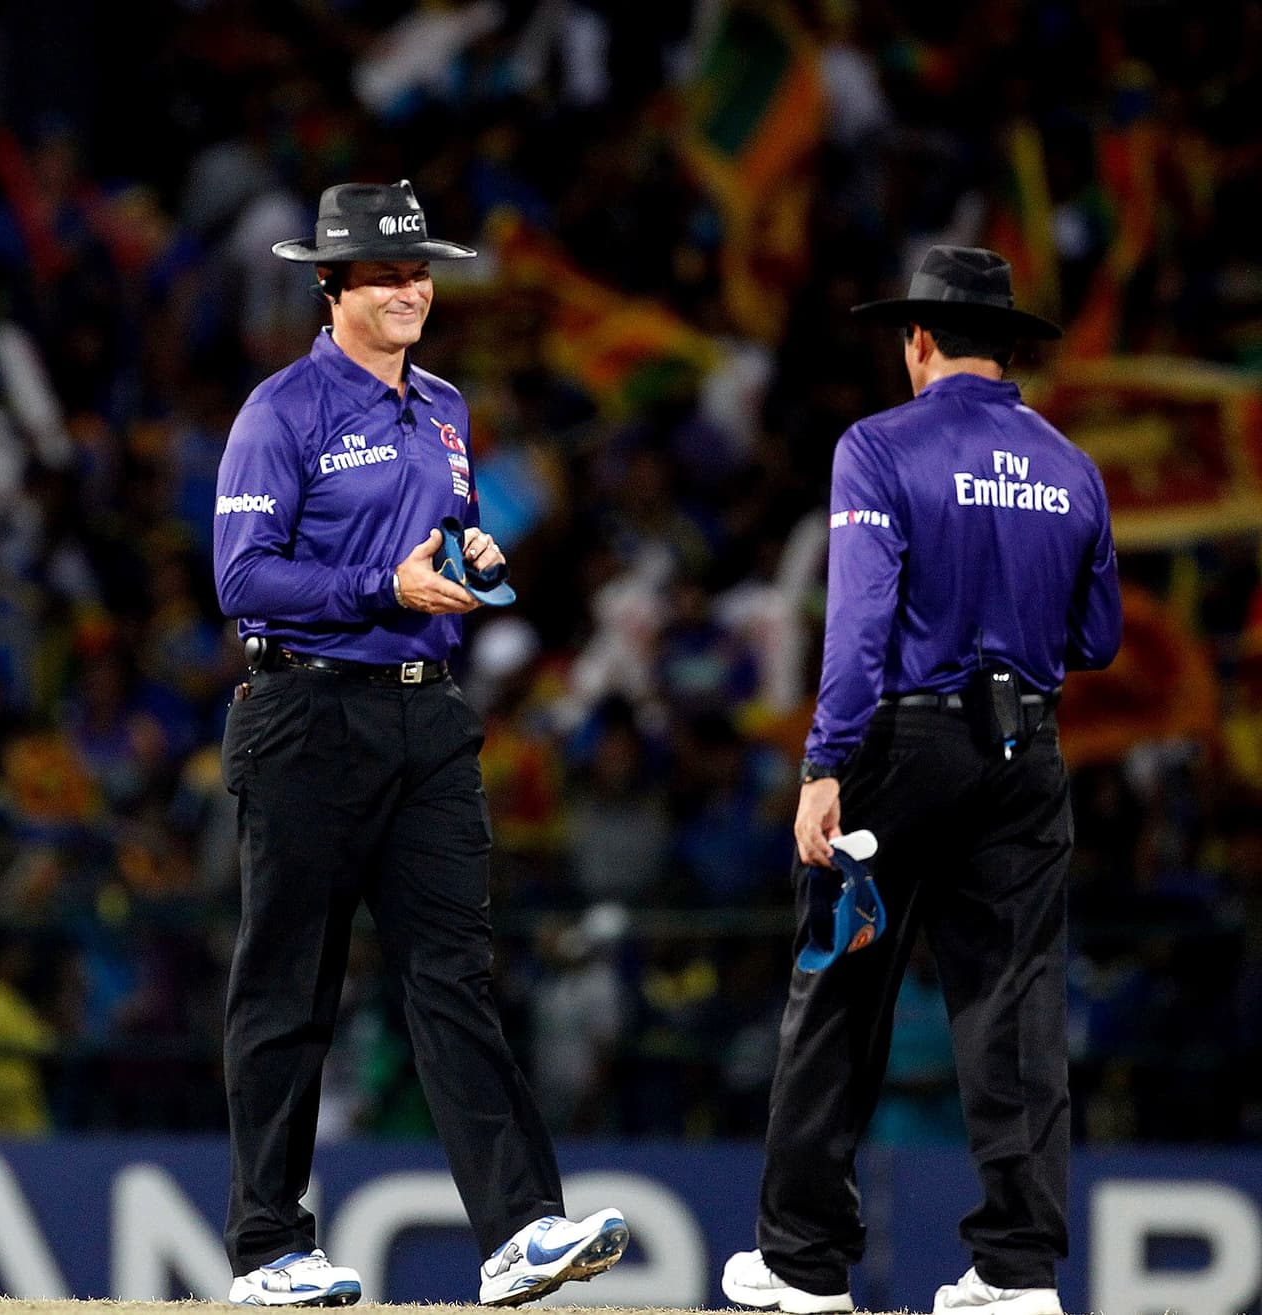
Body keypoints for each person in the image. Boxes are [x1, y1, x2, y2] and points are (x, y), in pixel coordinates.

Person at [212, 180, 629, 1308]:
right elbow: (241, 580)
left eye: (420, 269)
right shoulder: (281, 411)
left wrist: (469, 558)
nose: (412, 287)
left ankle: (518, 1231)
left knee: (455, 972)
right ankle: (268, 1247)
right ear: (331, 284)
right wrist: (378, 582)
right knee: (289, 983)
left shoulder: (444, 405)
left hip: (427, 712)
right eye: (389, 272)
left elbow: (432, 542)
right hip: (305, 713)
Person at [720, 247, 1122, 1315]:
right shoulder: (1072, 466)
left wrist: (824, 765)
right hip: (1025, 753)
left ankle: (804, 1263)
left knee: (842, 983)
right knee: (1017, 1002)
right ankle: (1017, 1271)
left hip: (904, 745)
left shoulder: (877, 447)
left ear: (919, 342)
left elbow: (855, 627)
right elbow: (1099, 635)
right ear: (1009, 350)